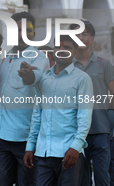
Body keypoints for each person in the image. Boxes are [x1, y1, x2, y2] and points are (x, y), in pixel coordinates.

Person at [23, 35, 94, 185]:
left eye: (67, 47)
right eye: (58, 47)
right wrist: (30, 146)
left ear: (75, 52)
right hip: (43, 153)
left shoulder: (82, 79)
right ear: (53, 50)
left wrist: (75, 147)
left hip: (69, 153)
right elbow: (37, 115)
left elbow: (84, 117)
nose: (62, 50)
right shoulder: (43, 79)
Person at [0, 12, 49, 186]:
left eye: (27, 30)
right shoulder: (5, 59)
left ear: (33, 34)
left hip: (25, 140)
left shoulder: (39, 58)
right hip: (0, 137)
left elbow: (34, 77)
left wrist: (28, 74)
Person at [69, 20, 114, 186]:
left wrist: (101, 110)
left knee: (103, 178)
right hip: (76, 132)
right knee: (81, 179)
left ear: (92, 38)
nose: (80, 37)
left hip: (101, 130)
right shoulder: (68, 67)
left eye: (84, 34)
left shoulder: (104, 64)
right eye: (76, 34)